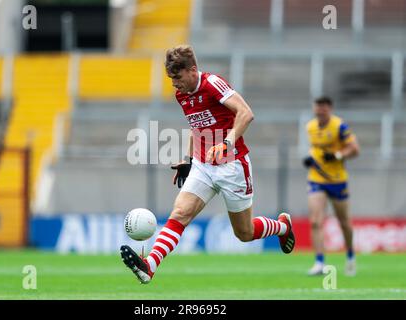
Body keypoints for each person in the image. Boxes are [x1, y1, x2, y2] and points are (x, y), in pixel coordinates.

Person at [120, 44, 295, 284]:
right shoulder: (182, 95)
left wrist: (226, 143)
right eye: (171, 79)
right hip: (203, 165)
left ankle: (282, 226)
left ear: (193, 70)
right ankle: (149, 266)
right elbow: (197, 127)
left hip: (232, 166)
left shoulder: (213, 84)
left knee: (244, 233)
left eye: (177, 77)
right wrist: (189, 160)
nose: (174, 84)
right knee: (180, 213)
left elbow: (246, 113)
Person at [303, 96, 360, 276]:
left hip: (337, 180)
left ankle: (350, 255)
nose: (321, 110)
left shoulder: (339, 126)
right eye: (318, 107)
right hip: (316, 178)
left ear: (330, 108)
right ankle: (319, 262)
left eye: (324, 107)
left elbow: (355, 149)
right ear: (314, 108)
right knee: (315, 221)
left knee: (344, 222)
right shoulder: (310, 127)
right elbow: (316, 149)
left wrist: (337, 156)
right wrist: (310, 159)